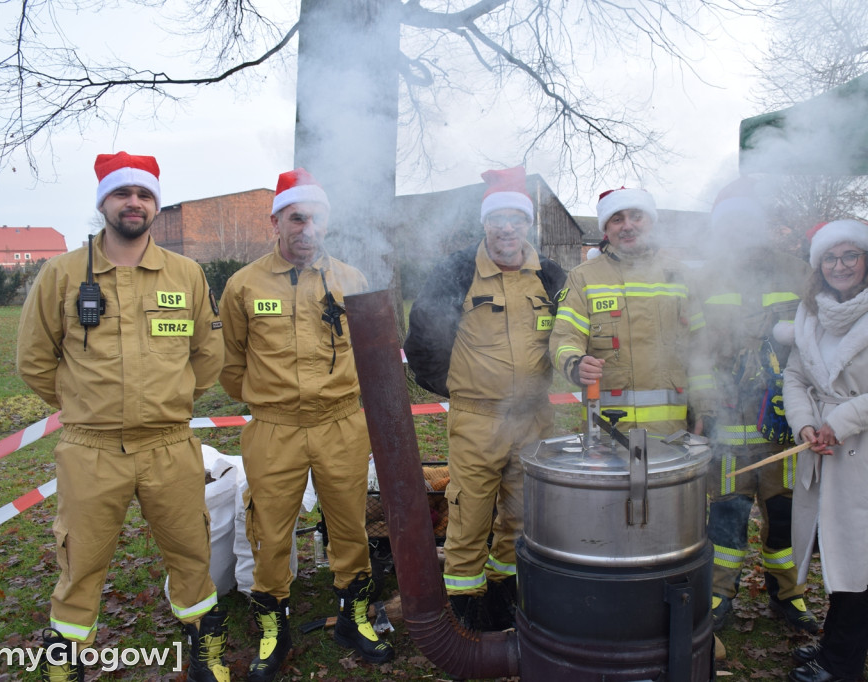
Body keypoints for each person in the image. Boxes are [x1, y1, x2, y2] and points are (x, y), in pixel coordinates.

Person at [16, 152, 229, 682]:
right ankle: (64, 660)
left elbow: (208, 354)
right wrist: (82, 406)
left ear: (154, 205)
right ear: (103, 203)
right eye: (122, 193)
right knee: (80, 560)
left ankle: (205, 646)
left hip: (169, 445)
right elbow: (34, 360)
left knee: (190, 552)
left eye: (145, 195)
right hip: (91, 449)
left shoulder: (186, 274)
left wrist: (173, 397)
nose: (134, 203)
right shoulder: (62, 274)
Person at [219, 168, 392, 676]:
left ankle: (353, 616)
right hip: (274, 429)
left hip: (340, 423)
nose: (307, 229)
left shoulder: (350, 281)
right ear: (276, 220)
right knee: (269, 532)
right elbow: (230, 364)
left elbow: (371, 353)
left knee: (349, 524)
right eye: (297, 218)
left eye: (316, 219)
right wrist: (270, 403)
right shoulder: (243, 285)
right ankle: (275, 626)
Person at [404, 166, 566, 631]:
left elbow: (573, 334)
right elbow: (422, 342)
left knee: (520, 519)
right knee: (469, 519)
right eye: (498, 219)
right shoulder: (457, 271)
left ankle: (504, 608)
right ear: (485, 224)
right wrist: (459, 386)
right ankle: (464, 621)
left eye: (516, 218)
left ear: (528, 224)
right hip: (477, 421)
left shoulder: (551, 276)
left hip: (534, 421)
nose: (507, 228)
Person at [781, 219, 868, 682]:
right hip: (820, 452)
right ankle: (832, 644)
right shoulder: (812, 313)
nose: (839, 265)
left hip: (867, 451)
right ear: (818, 265)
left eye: (849, 256)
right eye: (830, 257)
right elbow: (795, 378)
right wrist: (804, 423)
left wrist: (838, 422)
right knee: (835, 551)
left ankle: (842, 665)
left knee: (859, 558)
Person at [694, 179, 819, 635]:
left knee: (784, 519)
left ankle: (789, 593)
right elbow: (696, 352)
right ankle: (719, 594)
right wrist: (705, 411)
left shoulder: (797, 272)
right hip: (727, 428)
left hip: (784, 430)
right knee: (725, 517)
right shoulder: (704, 279)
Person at [549, 186, 712, 436]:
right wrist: (576, 364)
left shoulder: (680, 276)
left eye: (636, 216)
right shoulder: (584, 277)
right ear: (605, 229)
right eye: (617, 219)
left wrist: (705, 409)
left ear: (651, 222)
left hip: (672, 434)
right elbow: (565, 336)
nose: (627, 226)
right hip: (605, 435)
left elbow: (700, 352)